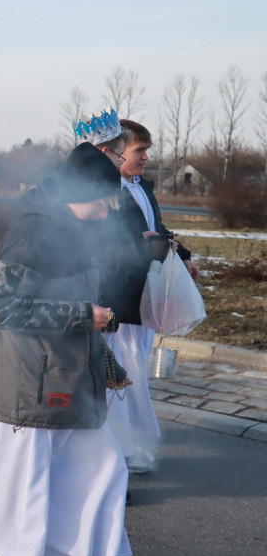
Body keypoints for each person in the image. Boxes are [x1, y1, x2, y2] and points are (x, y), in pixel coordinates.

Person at [0, 143, 174, 556]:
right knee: (20, 484)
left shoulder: (78, 230)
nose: (104, 215)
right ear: (76, 193)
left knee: (103, 476)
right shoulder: (32, 234)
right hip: (30, 388)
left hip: (76, 380)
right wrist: (81, 314)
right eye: (100, 203)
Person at [86, 115, 200, 478]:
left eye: (147, 150)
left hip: (143, 295)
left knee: (136, 378)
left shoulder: (142, 187)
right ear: (115, 153)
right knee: (122, 378)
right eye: (139, 150)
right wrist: (146, 249)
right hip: (116, 298)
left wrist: (183, 257)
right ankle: (119, 452)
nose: (145, 157)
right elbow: (107, 248)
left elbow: (156, 230)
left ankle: (133, 446)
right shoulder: (105, 194)